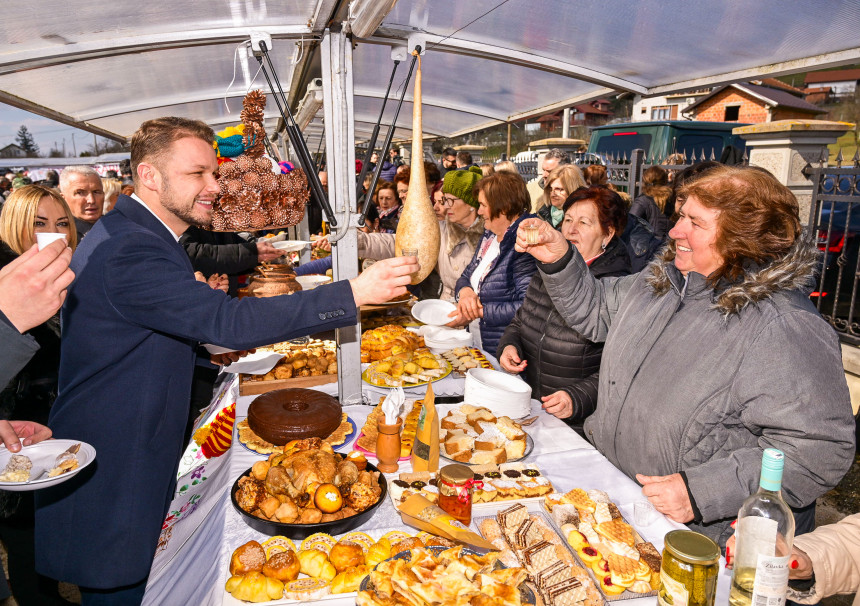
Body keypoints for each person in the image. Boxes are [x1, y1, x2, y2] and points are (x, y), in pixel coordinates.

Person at [34, 116, 417, 604]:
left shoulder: (134, 235)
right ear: (149, 176)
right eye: (199, 174)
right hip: (119, 463)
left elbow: (136, 338)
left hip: (130, 443)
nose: (215, 186)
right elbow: (228, 321)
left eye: (214, 173)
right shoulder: (129, 248)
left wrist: (203, 351)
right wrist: (353, 292)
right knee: (121, 590)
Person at [515, 165, 855, 548]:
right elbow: (595, 309)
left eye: (695, 222)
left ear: (743, 236)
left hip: (698, 541)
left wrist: (700, 491)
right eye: (680, 216)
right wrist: (559, 258)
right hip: (618, 503)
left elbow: (819, 449)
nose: (675, 231)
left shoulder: (783, 327)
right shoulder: (663, 283)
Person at [498, 186, 631, 436]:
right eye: (568, 219)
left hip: (578, 426)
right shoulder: (548, 268)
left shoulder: (616, 288)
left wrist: (576, 397)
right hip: (529, 409)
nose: (571, 229)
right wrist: (508, 345)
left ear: (608, 233)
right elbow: (520, 321)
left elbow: (623, 369)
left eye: (584, 222)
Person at [324, 166, 485, 302]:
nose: (445, 206)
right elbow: (396, 243)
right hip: (444, 314)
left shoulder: (490, 236)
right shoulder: (439, 230)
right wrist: (355, 241)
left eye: (450, 200)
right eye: (444, 200)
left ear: (471, 203)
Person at [0, 185, 77, 423]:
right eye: (39, 223)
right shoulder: (6, 282)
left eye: (62, 224)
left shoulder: (72, 275)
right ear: (14, 223)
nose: (53, 233)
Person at [448, 171, 537, 353]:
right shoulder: (490, 235)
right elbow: (467, 275)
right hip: (478, 342)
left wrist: (479, 312)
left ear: (503, 207)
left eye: (482, 205)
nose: (479, 211)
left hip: (505, 349)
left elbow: (527, 306)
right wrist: (465, 294)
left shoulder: (525, 244)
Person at [59, 165, 104, 238]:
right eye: (80, 193)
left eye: (96, 192)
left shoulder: (119, 228)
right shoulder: (60, 237)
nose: (91, 200)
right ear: (63, 199)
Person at [537, 164, 587, 229]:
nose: (553, 194)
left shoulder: (584, 217)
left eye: (559, 189)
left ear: (572, 190)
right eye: (550, 188)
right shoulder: (541, 212)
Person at [630, 165, 672, 240]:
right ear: (665, 181)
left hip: (650, 245)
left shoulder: (643, 200)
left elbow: (630, 224)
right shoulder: (673, 198)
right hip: (669, 243)